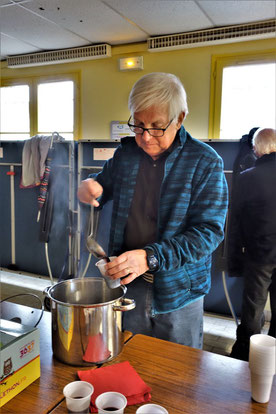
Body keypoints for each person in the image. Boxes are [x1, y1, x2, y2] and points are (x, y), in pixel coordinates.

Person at [78, 72, 228, 349]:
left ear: (180, 118)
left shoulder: (205, 162)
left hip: (180, 291)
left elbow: (209, 233)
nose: (145, 137)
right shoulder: (126, 155)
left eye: (157, 126)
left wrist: (151, 257)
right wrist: (90, 187)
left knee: (178, 375)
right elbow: (102, 184)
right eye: (138, 125)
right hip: (126, 282)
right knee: (130, 360)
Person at [228, 127, 276, 361]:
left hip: (259, 255)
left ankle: (245, 356)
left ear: (257, 149)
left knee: (253, 308)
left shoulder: (247, 177)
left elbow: (235, 223)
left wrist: (234, 260)